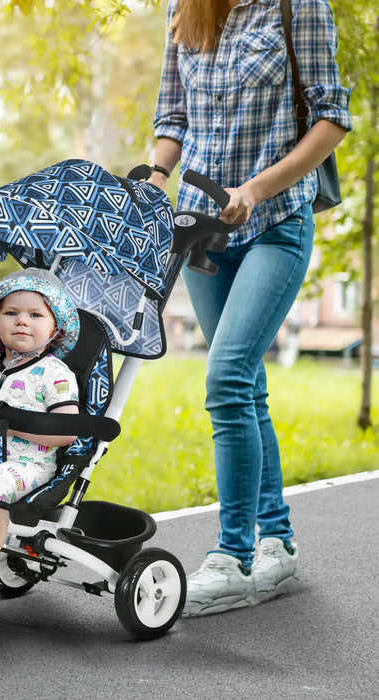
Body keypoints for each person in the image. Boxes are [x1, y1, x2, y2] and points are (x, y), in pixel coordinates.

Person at [147, 0, 351, 616]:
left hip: (274, 220)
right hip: (203, 226)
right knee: (247, 387)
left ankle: (230, 557)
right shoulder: (186, 10)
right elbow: (173, 115)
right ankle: (277, 545)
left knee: (228, 378)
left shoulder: (299, 7)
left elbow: (332, 118)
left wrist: (257, 188)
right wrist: (153, 177)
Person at [0, 268, 81, 588]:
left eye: (35, 314)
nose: (22, 321)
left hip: (29, 466)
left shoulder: (55, 374)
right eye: (11, 313)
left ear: (55, 331)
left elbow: (68, 431)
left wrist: (9, 427)